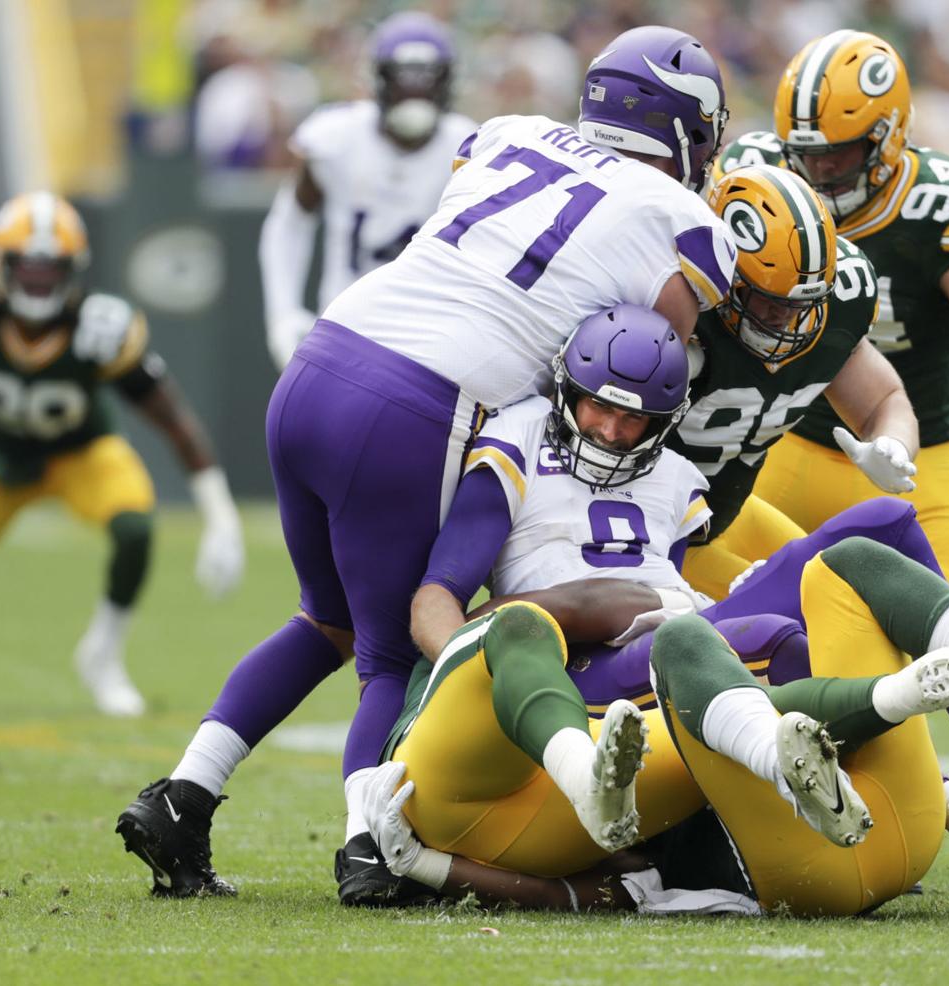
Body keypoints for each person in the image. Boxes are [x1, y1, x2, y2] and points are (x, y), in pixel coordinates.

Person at [117, 25, 737, 899]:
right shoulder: (683, 219)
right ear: (687, 129)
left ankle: (185, 795)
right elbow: (654, 356)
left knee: (326, 621)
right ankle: (368, 846)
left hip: (323, 359)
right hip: (419, 400)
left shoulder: (509, 132)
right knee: (389, 655)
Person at [366, 306, 949, 904]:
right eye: (598, 408)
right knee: (770, 639)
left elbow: (673, 583)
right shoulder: (520, 441)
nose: (611, 430)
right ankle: (936, 799)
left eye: (634, 419)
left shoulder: (670, 475)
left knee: (882, 526)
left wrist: (705, 596)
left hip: (670, 625)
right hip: (582, 666)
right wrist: (479, 660)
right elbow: (437, 598)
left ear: (665, 420)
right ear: (569, 390)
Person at [721, 31, 949, 861]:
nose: (819, 170)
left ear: (889, 138)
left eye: (839, 152)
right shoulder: (756, 179)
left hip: (912, 452)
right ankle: (934, 795)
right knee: (753, 629)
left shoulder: (939, 204)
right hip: (785, 438)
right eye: (805, 153)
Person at [364, 570, 949, 916]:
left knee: (724, 698)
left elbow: (584, 899)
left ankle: (910, 720)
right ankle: (936, 716)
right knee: (739, 645)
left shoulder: (645, 798)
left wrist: (428, 868)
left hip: (801, 874)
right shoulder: (661, 769)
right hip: (904, 834)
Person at [0, 192, 244, 716]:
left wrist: (220, 515)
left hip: (82, 454)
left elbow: (174, 422)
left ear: (75, 270)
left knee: (134, 527)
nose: (38, 283)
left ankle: (102, 656)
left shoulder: (102, 329)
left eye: (51, 270)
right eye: (27, 269)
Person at [668, 162, 917, 601]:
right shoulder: (675, 306)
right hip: (656, 536)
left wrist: (892, 443)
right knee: (806, 607)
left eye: (802, 303)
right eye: (768, 299)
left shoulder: (837, 305)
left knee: (859, 582)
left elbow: (884, 399)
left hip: (727, 512)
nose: (785, 318)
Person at [258, 12, 476, 369]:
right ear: (378, 81)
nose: (415, 93)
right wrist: (283, 314)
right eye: (403, 80)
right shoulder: (336, 137)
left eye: (427, 80)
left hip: (430, 339)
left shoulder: (469, 148)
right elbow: (288, 225)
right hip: (344, 328)